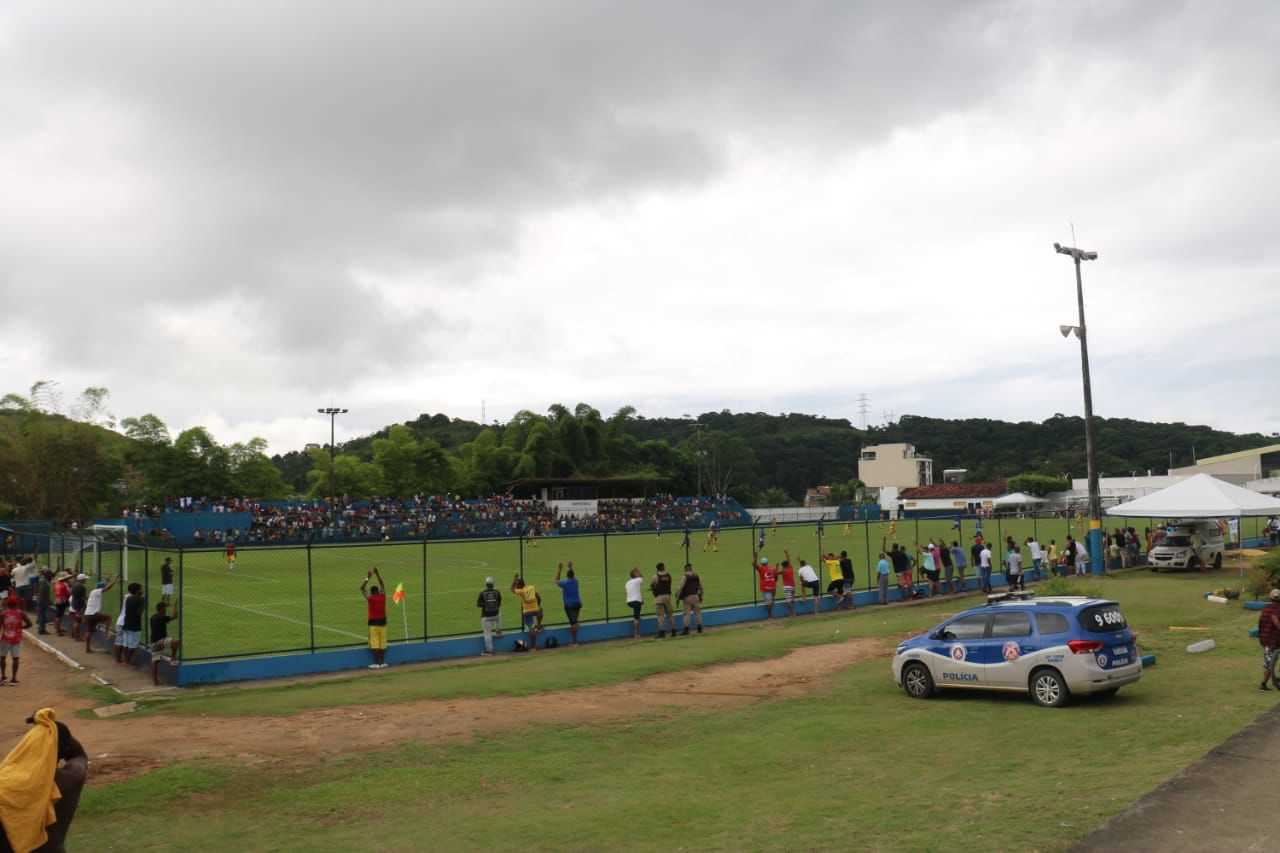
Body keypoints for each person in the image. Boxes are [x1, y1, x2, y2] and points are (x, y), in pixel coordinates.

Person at [0, 594, 32, 685]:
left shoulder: (3, 613)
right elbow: (30, 624)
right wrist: (21, 628)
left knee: (2, 658)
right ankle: (14, 678)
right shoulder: (21, 613)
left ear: (7, 604)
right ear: (16, 604)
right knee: (15, 658)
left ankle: (3, 677)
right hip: (16, 638)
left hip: (5, 638)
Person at [82, 575, 118, 654]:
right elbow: (107, 588)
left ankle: (87, 648)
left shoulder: (93, 592)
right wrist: (114, 581)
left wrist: (106, 580)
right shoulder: (97, 591)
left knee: (89, 631)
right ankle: (107, 632)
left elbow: (103, 585)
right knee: (108, 618)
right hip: (93, 614)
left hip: (87, 614)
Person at [360, 568, 388, 669]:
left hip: (373, 624)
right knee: (382, 644)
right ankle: (382, 663)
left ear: (371, 592)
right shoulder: (383, 597)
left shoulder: (370, 599)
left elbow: (362, 588)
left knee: (375, 643)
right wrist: (377, 573)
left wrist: (368, 577)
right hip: (383, 623)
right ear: (378, 591)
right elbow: (382, 584)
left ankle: (376, 664)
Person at [149, 601, 180, 685]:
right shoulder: (162, 617)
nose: (166, 610)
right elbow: (175, 616)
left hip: (153, 642)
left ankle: (155, 681)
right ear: (162, 609)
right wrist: (175, 606)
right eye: (165, 608)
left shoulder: (153, 617)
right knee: (175, 642)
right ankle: (173, 659)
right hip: (160, 641)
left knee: (155, 660)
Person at [116, 583, 145, 665]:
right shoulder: (141, 599)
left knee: (126, 643)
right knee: (133, 645)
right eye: (141, 589)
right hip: (135, 624)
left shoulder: (128, 598)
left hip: (126, 622)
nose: (142, 590)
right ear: (137, 590)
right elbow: (139, 613)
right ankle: (127, 661)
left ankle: (125, 660)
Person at [511, 574, 543, 651]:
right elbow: (538, 596)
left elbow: (512, 589)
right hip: (535, 610)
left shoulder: (521, 591)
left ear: (519, 585)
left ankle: (533, 647)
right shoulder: (532, 587)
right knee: (541, 611)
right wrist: (538, 605)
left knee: (531, 629)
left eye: (518, 585)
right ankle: (539, 625)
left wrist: (514, 581)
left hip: (527, 612)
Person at [554, 561, 582, 646]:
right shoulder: (576, 581)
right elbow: (572, 575)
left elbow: (556, 581)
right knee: (573, 622)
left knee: (574, 624)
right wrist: (570, 567)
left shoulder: (565, 583)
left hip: (569, 605)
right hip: (577, 604)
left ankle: (574, 642)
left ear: (567, 576)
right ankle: (574, 640)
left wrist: (559, 569)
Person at [1258, 589, 1280, 691]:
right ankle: (1264, 684)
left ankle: (1264, 684)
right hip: (1274, 640)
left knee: (1269, 662)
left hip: (1265, 639)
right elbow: (1275, 619)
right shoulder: (1278, 609)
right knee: (1271, 663)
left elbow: (1260, 624)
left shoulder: (1265, 609)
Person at [475, 576, 502, 655]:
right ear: (493, 584)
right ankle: (498, 630)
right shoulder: (497, 592)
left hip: (486, 616)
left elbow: (478, 604)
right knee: (500, 612)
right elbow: (499, 603)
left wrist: (485, 604)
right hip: (496, 615)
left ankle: (489, 651)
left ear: (486, 584)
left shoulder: (482, 593)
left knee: (487, 633)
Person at [676, 563, 703, 635]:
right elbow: (701, 587)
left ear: (685, 569)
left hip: (687, 597)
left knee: (686, 614)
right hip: (696, 596)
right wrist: (701, 596)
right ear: (691, 568)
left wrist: (678, 598)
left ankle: (686, 630)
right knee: (698, 613)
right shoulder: (696, 576)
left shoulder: (685, 577)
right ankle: (699, 628)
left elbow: (680, 588)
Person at [650, 563, 675, 637]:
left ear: (657, 569)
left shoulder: (655, 576)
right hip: (668, 596)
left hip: (659, 597)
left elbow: (652, 585)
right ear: (664, 567)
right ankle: (674, 631)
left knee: (660, 615)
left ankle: (662, 632)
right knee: (670, 615)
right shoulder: (668, 575)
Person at [625, 567, 645, 639]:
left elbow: (633, 591)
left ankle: (637, 632)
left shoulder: (627, 582)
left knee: (637, 616)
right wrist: (639, 573)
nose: (639, 573)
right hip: (636, 601)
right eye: (637, 572)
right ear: (635, 574)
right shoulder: (638, 580)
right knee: (636, 618)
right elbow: (642, 577)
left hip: (629, 601)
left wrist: (641, 599)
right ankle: (636, 634)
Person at [68, 574, 88, 641]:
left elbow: (71, 592)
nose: (85, 580)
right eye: (85, 579)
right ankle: (77, 637)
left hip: (74, 603)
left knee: (75, 621)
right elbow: (84, 597)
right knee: (77, 621)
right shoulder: (82, 587)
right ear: (82, 580)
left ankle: (73, 635)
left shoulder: (74, 585)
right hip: (79, 605)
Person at [34, 570, 53, 635]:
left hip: (41, 600)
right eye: (50, 574)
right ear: (47, 575)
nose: (51, 576)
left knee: (41, 615)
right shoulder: (44, 582)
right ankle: (42, 630)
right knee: (42, 616)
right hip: (42, 601)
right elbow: (43, 592)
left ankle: (41, 629)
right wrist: (48, 600)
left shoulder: (43, 580)